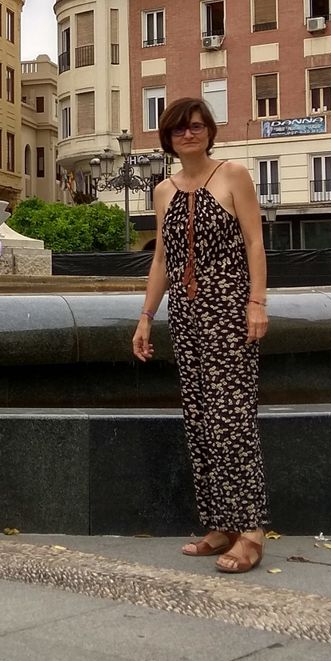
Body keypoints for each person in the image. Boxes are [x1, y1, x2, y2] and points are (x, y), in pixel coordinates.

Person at [132, 98, 270, 574]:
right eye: (178, 129)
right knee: (199, 418)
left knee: (232, 418)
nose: (188, 134)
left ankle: (250, 529)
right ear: (167, 138)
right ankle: (219, 523)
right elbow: (161, 261)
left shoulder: (233, 174)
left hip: (229, 307)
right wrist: (147, 315)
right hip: (186, 315)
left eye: (196, 126)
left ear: (210, 131)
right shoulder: (162, 190)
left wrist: (257, 302)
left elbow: (254, 241)